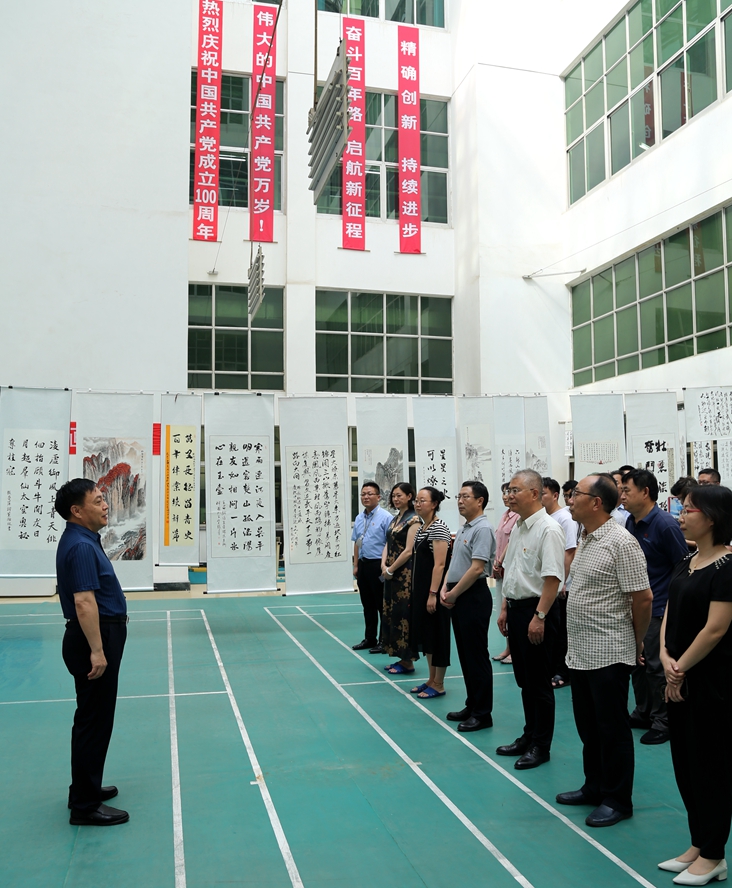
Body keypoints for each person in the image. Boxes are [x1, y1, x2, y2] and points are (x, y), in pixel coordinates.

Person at [557, 474, 652, 828]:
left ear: (596, 502)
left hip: (610, 651)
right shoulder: (586, 536)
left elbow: (643, 598)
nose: (570, 499)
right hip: (581, 652)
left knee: (612, 729)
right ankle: (594, 786)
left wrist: (637, 641)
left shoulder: (621, 542)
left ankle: (617, 799)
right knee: (588, 726)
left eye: (576, 494)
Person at [658, 485, 732, 885]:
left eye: (689, 510)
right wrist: (666, 657)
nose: (681, 515)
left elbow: (716, 628)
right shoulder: (688, 561)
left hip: (709, 680)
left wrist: (679, 668)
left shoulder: (727, 567)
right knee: (685, 763)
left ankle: (715, 855)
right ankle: (698, 843)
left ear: (713, 518)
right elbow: (670, 611)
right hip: (679, 676)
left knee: (710, 766)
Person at [55, 478, 129, 826]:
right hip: (93, 640)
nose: (105, 505)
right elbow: (84, 602)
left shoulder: (82, 540)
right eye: (97, 501)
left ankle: (86, 789)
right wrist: (98, 651)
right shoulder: (81, 547)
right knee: (93, 722)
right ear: (76, 510)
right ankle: (85, 806)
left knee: (94, 718)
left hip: (96, 637)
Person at [496, 469, 565, 769]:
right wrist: (504, 608)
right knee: (525, 681)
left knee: (539, 683)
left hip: (538, 611)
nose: (509, 496)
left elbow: (553, 578)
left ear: (534, 494)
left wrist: (539, 617)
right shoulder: (519, 526)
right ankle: (529, 735)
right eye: (508, 490)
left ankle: (541, 745)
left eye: (515, 490)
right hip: (517, 610)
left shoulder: (548, 529)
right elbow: (512, 571)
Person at [620, 468, 688, 745]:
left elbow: (682, 567)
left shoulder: (665, 525)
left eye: (627, 491)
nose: (622, 496)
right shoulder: (630, 522)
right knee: (636, 663)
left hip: (658, 607)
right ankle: (643, 712)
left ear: (645, 492)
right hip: (634, 606)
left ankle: (663, 721)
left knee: (655, 666)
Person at [440, 480, 496, 732]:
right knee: (465, 655)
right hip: (458, 594)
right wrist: (445, 588)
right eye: (458, 497)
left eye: (465, 497)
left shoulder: (482, 529)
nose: (460, 501)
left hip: (472, 596)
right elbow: (454, 563)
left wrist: (453, 594)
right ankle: (472, 704)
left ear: (480, 501)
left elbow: (476, 569)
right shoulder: (465, 528)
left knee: (476, 656)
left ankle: (483, 714)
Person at [409, 487, 452, 699]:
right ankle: (431, 679)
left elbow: (440, 564)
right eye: (416, 500)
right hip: (421, 591)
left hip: (434, 592)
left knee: (438, 636)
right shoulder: (422, 527)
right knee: (427, 636)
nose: (417, 504)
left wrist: (433, 593)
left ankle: (439, 683)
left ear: (434, 504)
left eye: (422, 501)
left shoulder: (439, 528)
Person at [541, 477, 578, 690]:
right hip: (552, 584)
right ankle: (553, 668)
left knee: (562, 631)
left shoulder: (565, 518)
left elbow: (569, 551)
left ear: (554, 496)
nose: (540, 497)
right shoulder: (545, 518)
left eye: (543, 493)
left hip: (564, 585)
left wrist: (562, 581)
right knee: (553, 630)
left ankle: (563, 672)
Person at [381, 482, 420, 675]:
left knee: (404, 614)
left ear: (410, 496)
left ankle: (408, 661)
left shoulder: (414, 520)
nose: (396, 499)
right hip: (391, 573)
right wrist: (384, 565)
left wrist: (391, 568)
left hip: (404, 575)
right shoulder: (395, 518)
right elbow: (387, 544)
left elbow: (408, 550)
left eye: (400, 495)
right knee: (393, 613)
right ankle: (400, 657)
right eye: (394, 495)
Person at [351, 481, 393, 653]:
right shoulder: (359, 518)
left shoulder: (386, 517)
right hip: (363, 564)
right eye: (363, 494)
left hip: (378, 565)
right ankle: (370, 638)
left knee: (381, 605)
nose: (366, 497)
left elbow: (390, 544)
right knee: (367, 605)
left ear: (378, 497)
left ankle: (384, 641)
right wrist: (356, 565)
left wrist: (385, 566)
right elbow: (357, 542)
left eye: (369, 494)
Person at [491, 482, 519, 664]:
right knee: (502, 611)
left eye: (509, 491)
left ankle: (514, 650)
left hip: (510, 567)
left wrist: (500, 560)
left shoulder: (518, 516)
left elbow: (511, 543)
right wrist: (495, 562)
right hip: (500, 568)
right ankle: (508, 647)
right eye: (504, 492)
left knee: (510, 610)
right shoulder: (504, 515)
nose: (505, 496)